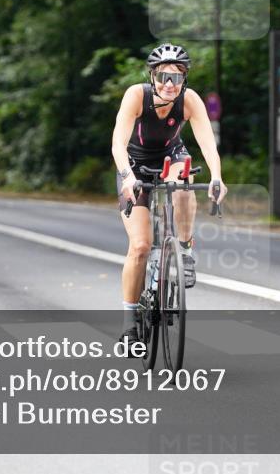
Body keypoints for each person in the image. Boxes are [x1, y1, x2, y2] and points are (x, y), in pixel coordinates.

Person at [111, 43, 227, 349]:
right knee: (140, 246)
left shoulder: (189, 101)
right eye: (163, 76)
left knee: (184, 184)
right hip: (134, 164)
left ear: (184, 80)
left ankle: (185, 251)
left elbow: (207, 145)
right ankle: (129, 322)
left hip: (171, 157)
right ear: (152, 76)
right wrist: (127, 176)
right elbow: (117, 144)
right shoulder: (137, 95)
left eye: (176, 78)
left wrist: (217, 177)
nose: (168, 84)